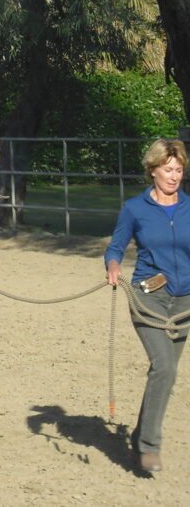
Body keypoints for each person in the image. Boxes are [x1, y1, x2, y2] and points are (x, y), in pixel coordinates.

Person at [105, 138, 190, 473]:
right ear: (153, 170)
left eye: (179, 170)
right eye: (168, 170)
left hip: (184, 300)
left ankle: (141, 436)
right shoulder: (134, 209)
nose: (174, 176)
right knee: (164, 367)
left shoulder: (188, 208)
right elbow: (116, 246)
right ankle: (150, 447)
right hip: (148, 296)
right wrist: (113, 266)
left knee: (164, 375)